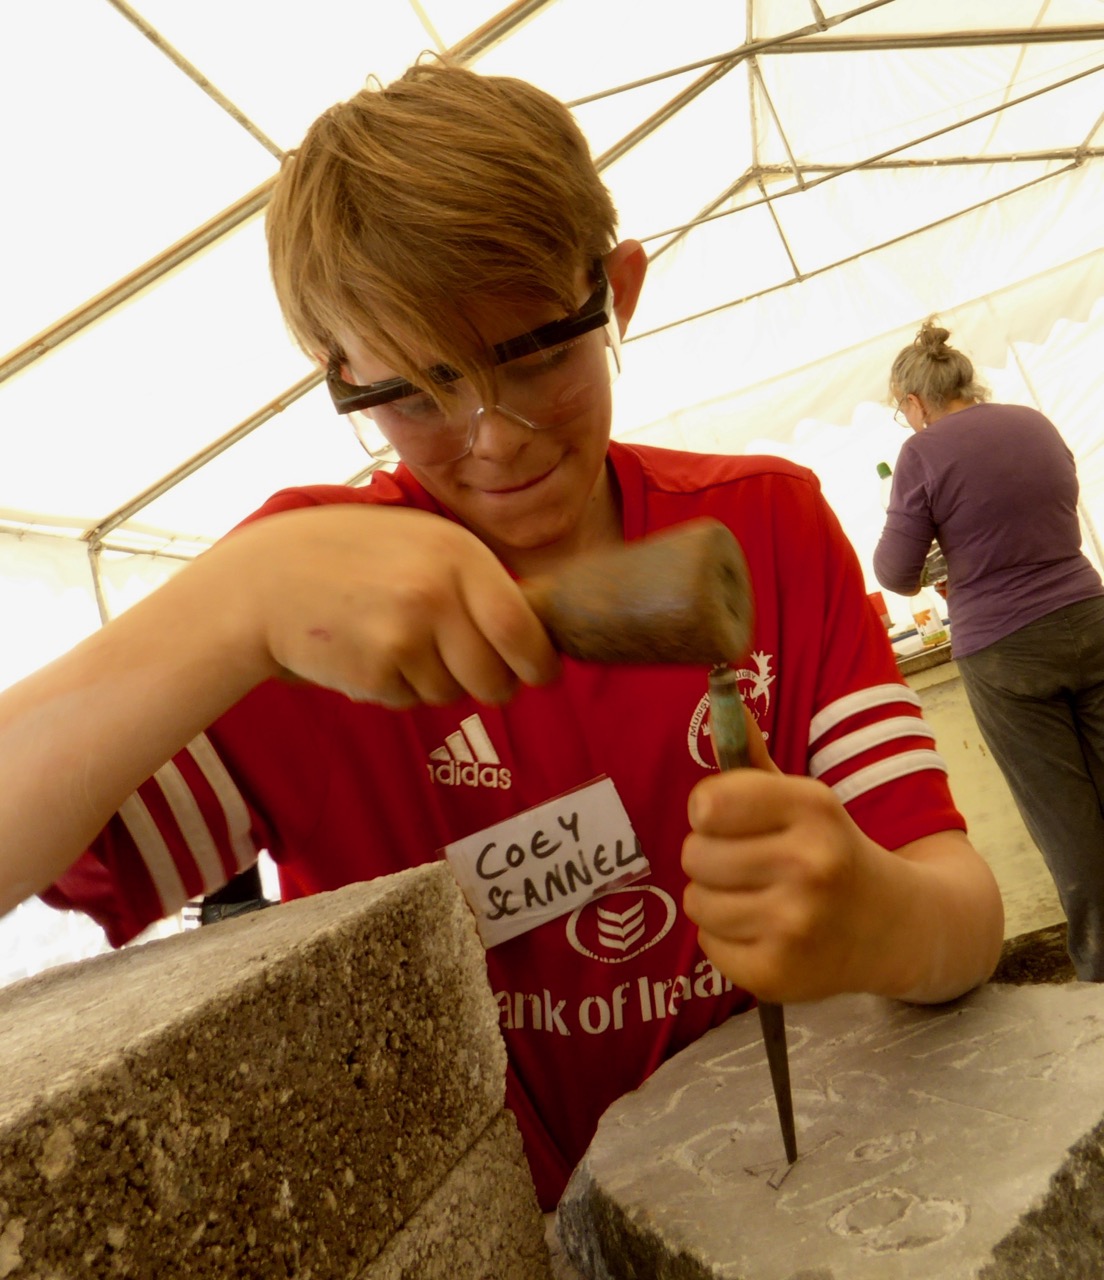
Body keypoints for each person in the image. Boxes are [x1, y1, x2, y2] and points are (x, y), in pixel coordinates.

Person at [1, 61, 1002, 1210]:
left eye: (535, 355)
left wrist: (879, 916)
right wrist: (230, 604)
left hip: (813, 1191)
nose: (497, 438)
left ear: (617, 291)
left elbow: (965, 913)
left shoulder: (765, 526)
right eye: (418, 392)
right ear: (339, 376)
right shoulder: (305, 626)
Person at [874, 319, 1104, 981]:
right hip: (1089, 611)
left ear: (914, 401)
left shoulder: (922, 453)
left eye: (902, 411)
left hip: (1006, 646)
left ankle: (1101, 966)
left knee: (1064, 815)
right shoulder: (1032, 423)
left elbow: (896, 572)